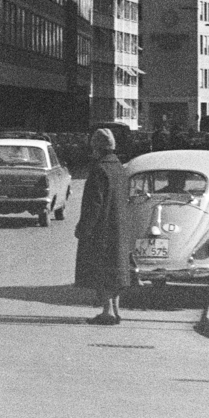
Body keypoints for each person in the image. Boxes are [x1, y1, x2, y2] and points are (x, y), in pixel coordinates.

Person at [74, 127, 133, 325]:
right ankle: (115, 309)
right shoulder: (120, 169)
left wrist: (84, 228)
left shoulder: (99, 170)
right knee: (116, 270)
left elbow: (94, 204)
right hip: (119, 228)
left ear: (97, 148)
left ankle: (107, 311)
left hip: (102, 229)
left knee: (103, 270)